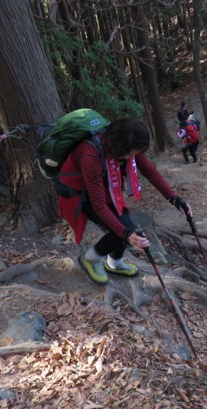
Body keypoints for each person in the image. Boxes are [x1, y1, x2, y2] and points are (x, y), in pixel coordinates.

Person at [58, 118, 193, 285]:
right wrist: (126, 234)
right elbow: (99, 206)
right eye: (131, 154)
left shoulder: (127, 144)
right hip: (78, 194)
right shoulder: (90, 156)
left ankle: (114, 264)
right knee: (123, 230)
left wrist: (174, 198)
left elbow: (149, 171)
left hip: (103, 186)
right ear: (118, 149)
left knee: (127, 225)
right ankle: (90, 259)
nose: (134, 158)